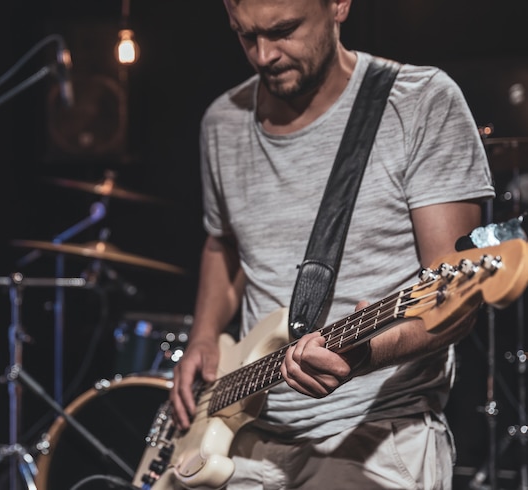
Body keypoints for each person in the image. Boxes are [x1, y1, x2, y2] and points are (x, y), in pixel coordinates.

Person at [169, 0, 495, 488]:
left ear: (339, 5)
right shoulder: (222, 121)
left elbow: (455, 300)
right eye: (245, 35)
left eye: (283, 30)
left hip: (376, 434)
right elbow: (224, 244)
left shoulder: (421, 101)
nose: (263, 55)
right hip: (243, 436)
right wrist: (202, 336)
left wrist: (363, 356)